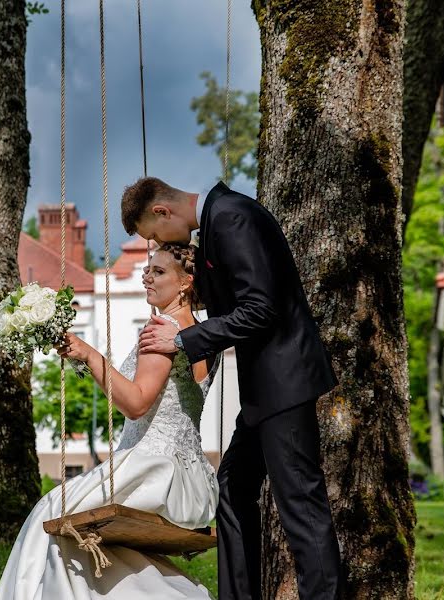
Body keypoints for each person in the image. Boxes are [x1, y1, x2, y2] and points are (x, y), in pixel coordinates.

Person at [128, 177, 341, 599]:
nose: (157, 244)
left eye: (153, 235)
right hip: (266, 390)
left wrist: (183, 340)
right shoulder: (219, 220)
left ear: (162, 212)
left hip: (285, 381)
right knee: (233, 488)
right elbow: (237, 295)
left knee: (301, 506)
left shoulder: (231, 217)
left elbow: (260, 308)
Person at [0, 243, 220, 600]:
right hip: (192, 482)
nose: (147, 277)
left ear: (186, 283)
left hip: (152, 470)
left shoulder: (161, 330)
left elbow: (136, 404)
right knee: (84, 530)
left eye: (158, 271)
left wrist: (89, 353)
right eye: (147, 269)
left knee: (54, 515)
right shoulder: (203, 334)